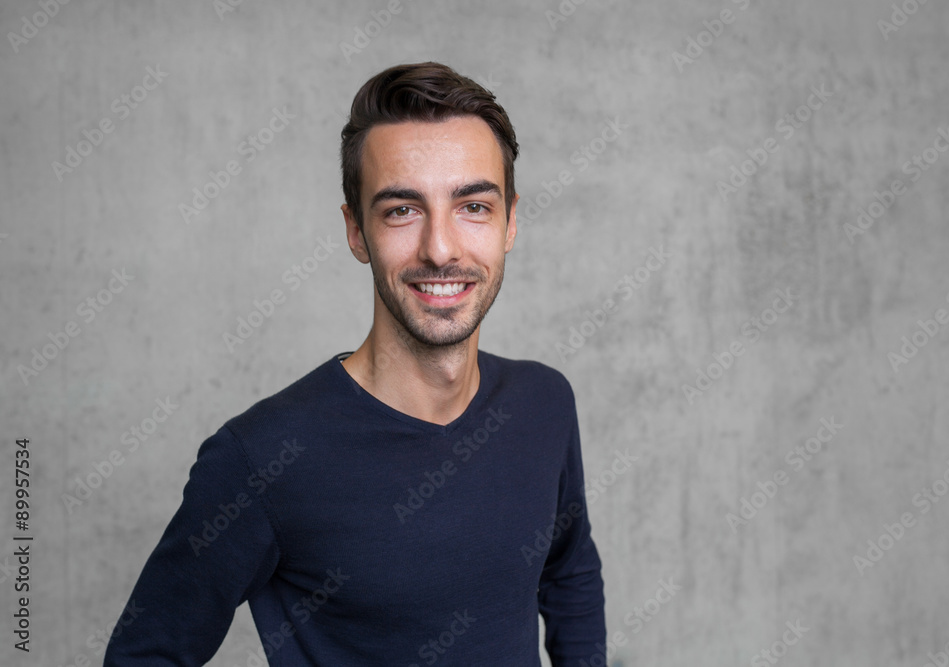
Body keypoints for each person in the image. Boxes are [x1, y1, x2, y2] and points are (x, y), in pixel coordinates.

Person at [104, 61, 605, 666]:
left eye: (473, 206)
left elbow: (570, 571)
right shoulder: (259, 459)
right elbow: (145, 655)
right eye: (402, 210)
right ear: (356, 231)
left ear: (510, 222)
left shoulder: (544, 403)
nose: (440, 248)